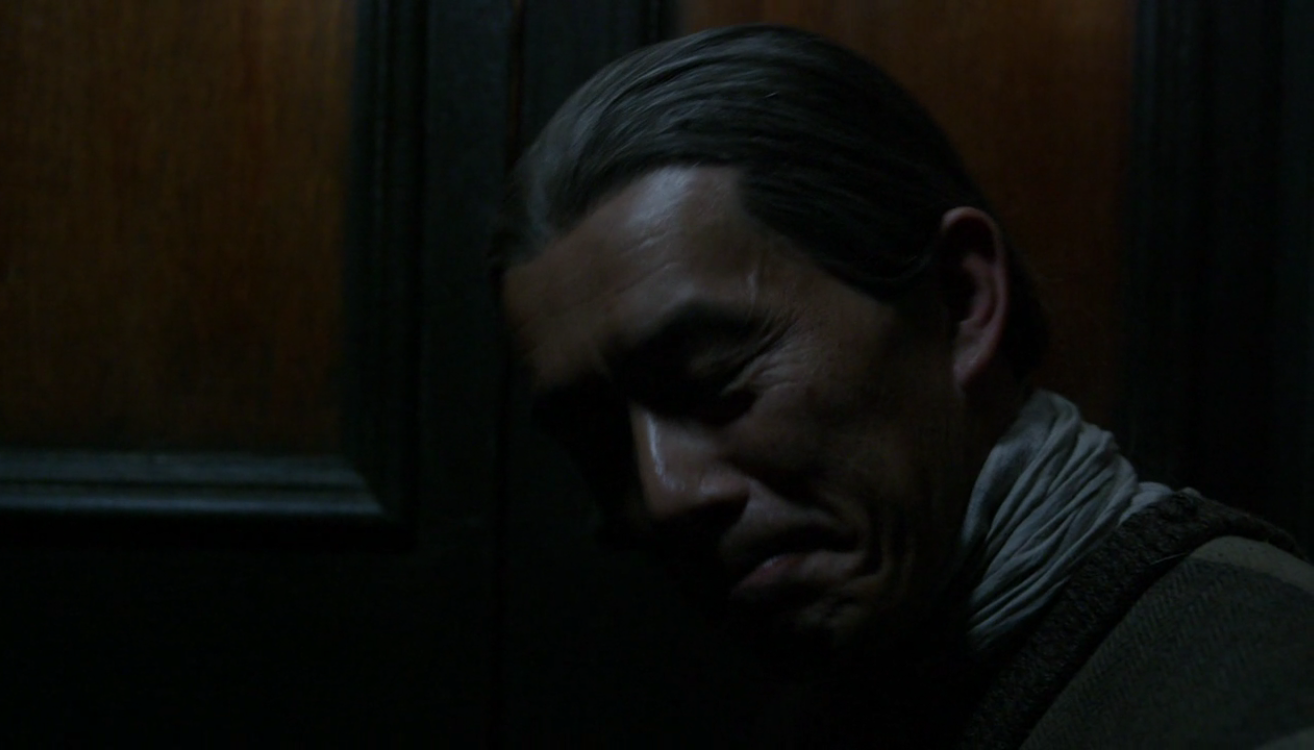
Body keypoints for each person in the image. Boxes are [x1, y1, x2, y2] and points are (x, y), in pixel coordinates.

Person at [491, 24, 1314, 748]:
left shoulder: (1256, 693)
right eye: (597, 442)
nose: (664, 493)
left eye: (713, 380)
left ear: (960, 298)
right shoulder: (849, 699)